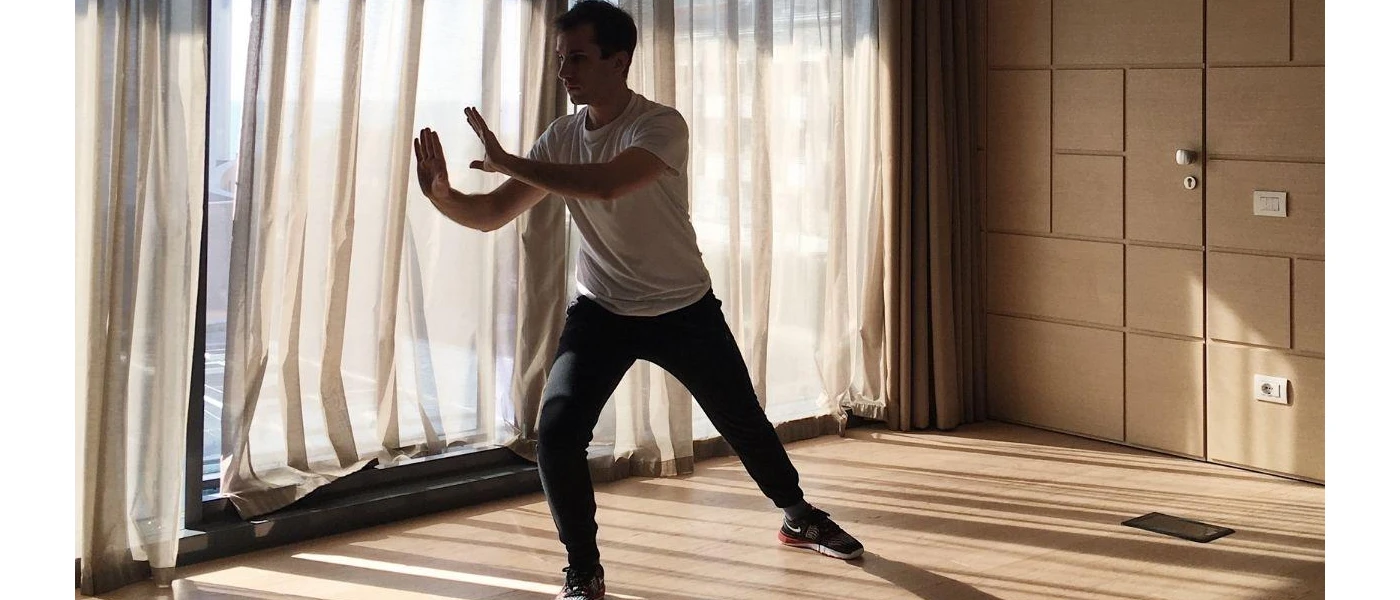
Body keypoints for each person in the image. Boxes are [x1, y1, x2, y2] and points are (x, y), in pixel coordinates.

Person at [411, 2, 863, 598]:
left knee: (743, 421)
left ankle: (798, 515)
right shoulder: (562, 137)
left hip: (683, 309)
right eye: (559, 60)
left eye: (577, 58)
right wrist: (443, 195)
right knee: (557, 432)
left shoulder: (660, 125)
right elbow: (493, 212)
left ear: (618, 60)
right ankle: (583, 568)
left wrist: (510, 162)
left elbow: (608, 184)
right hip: (602, 312)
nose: (564, 72)